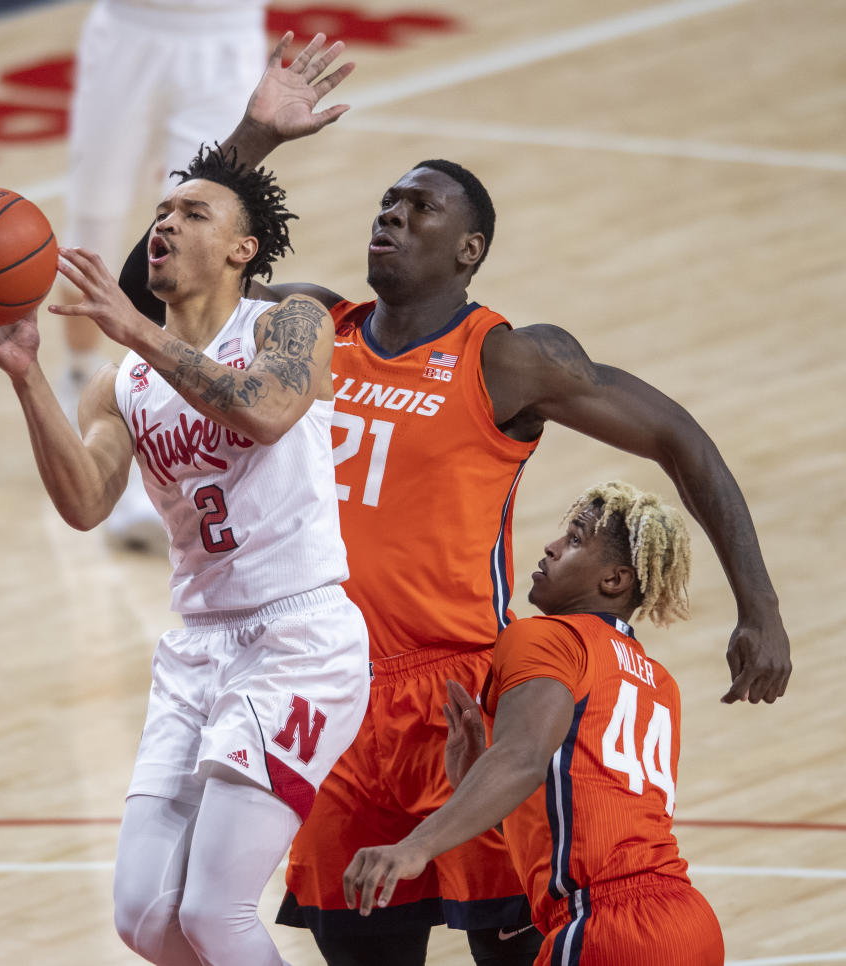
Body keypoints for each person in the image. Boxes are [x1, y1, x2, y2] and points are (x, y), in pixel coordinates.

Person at [117, 34, 791, 966]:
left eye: (419, 207)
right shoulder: (306, 325)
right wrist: (254, 137)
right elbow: (157, 286)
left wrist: (759, 606)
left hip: (463, 704)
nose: (389, 215)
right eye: (386, 201)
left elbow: (683, 437)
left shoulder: (510, 359)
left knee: (512, 952)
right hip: (330, 691)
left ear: (468, 249)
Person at [0, 144, 370, 966]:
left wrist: (134, 327)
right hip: (199, 649)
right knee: (145, 917)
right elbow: (84, 504)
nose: (166, 222)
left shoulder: (291, 323)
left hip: (300, 643)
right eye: (162, 214)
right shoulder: (121, 384)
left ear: (243, 250)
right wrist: (27, 374)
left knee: (216, 913)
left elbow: (272, 410)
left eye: (193, 213)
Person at [343, 481, 726, 966]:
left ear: (614, 580)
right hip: (688, 922)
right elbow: (584, 801)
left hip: (606, 927)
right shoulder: (658, 681)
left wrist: (415, 847)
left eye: (575, 539)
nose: (551, 547)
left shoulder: (548, 636)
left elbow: (523, 760)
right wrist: (474, 779)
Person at [58, 0, 269, 551]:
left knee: (192, 253)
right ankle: (83, 387)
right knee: (91, 231)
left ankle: (154, 456)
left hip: (222, 37)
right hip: (127, 28)